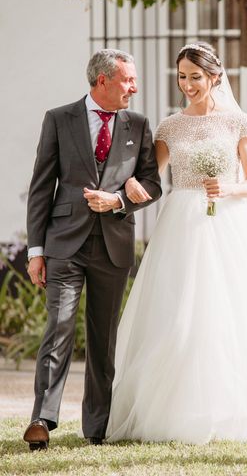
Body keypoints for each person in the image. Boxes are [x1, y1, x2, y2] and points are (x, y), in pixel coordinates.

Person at [105, 41, 247, 443]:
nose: (188, 85)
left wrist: (226, 188)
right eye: (182, 77)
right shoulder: (169, 127)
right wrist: (129, 184)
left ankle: (240, 405)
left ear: (215, 76)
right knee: (179, 313)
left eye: (196, 77)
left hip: (228, 221)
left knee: (233, 311)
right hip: (181, 225)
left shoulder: (239, 122)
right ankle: (175, 407)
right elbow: (152, 180)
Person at [24, 49, 162, 450]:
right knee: (59, 327)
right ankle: (42, 419)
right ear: (103, 81)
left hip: (114, 245)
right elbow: (40, 187)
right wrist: (36, 251)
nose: (134, 87)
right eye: (128, 80)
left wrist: (120, 200)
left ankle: (96, 428)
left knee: (103, 341)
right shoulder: (58, 119)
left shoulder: (138, 124)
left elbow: (152, 184)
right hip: (63, 243)